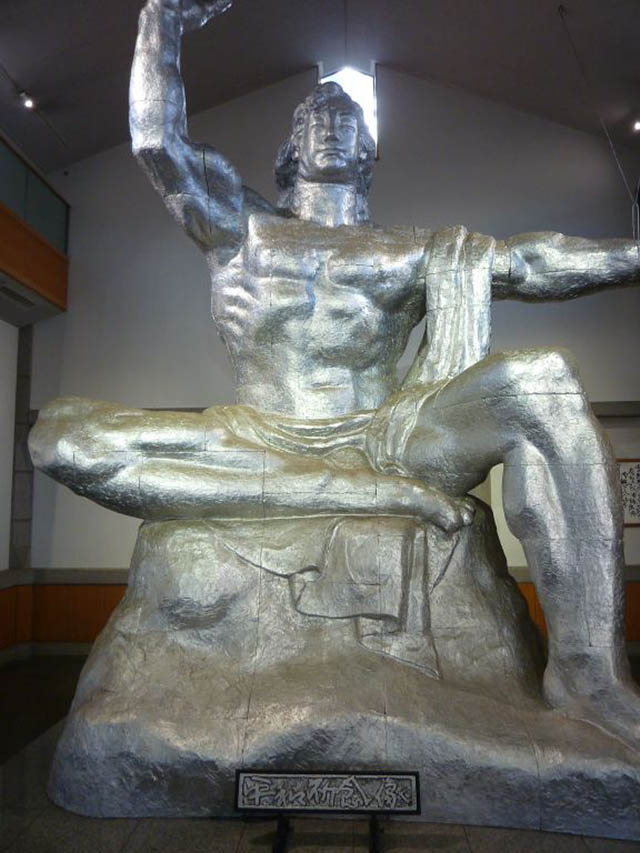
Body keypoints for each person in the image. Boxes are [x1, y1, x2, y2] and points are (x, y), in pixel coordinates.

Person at [31, 0, 640, 746]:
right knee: (60, 435)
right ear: (289, 148)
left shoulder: (412, 249)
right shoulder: (241, 229)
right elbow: (159, 144)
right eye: (315, 117)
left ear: (370, 151)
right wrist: (162, 18)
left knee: (543, 378)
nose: (332, 124)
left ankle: (590, 675)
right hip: (259, 436)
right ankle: (351, 494)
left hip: (387, 436)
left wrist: (634, 255)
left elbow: (533, 262)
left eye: (348, 118)